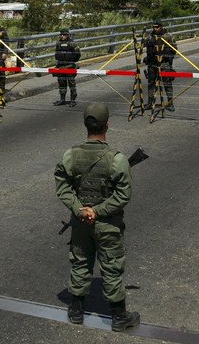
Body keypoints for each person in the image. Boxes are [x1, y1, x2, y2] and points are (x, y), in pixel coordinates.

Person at [54, 102, 140, 332]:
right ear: (107, 125)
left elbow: (62, 186)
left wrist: (79, 209)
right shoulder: (117, 159)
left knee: (80, 262)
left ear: (86, 125)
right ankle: (119, 316)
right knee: (112, 266)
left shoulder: (71, 155)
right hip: (108, 224)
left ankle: (76, 310)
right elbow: (123, 195)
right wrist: (98, 211)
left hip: (81, 222)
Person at [142, 20, 175, 111]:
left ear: (161, 27)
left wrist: (165, 55)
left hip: (164, 64)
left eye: (157, 27)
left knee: (167, 84)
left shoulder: (168, 36)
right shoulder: (150, 36)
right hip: (152, 64)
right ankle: (150, 103)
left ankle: (170, 104)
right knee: (151, 84)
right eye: (154, 27)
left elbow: (174, 50)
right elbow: (143, 45)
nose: (155, 29)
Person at [53, 28, 81, 107]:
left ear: (68, 35)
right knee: (62, 83)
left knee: (71, 84)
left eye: (64, 34)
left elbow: (78, 54)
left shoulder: (72, 43)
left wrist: (71, 61)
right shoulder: (58, 43)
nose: (62, 36)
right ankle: (62, 99)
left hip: (70, 67)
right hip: (61, 66)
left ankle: (72, 100)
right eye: (61, 34)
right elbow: (57, 54)